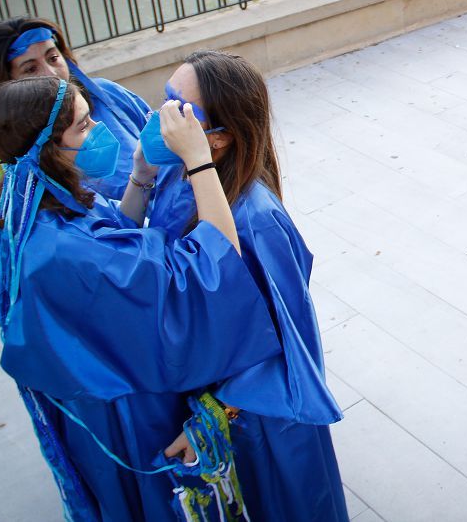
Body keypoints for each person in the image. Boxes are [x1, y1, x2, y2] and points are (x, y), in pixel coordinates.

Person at [0, 75, 284, 522]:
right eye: (83, 126)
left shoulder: (42, 201)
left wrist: (140, 178)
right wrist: (199, 164)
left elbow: (114, 239)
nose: (98, 130)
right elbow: (211, 267)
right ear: (47, 150)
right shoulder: (66, 253)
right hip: (127, 413)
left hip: (103, 390)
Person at [147, 50, 348, 521]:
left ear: (218, 139)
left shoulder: (256, 220)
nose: (164, 118)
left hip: (255, 419)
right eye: (165, 100)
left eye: (181, 110)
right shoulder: (181, 178)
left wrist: (215, 417)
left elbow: (285, 341)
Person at [0, 17, 150, 290]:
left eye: (53, 57)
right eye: (30, 69)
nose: (52, 74)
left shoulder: (110, 97)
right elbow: (4, 256)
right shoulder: (6, 164)